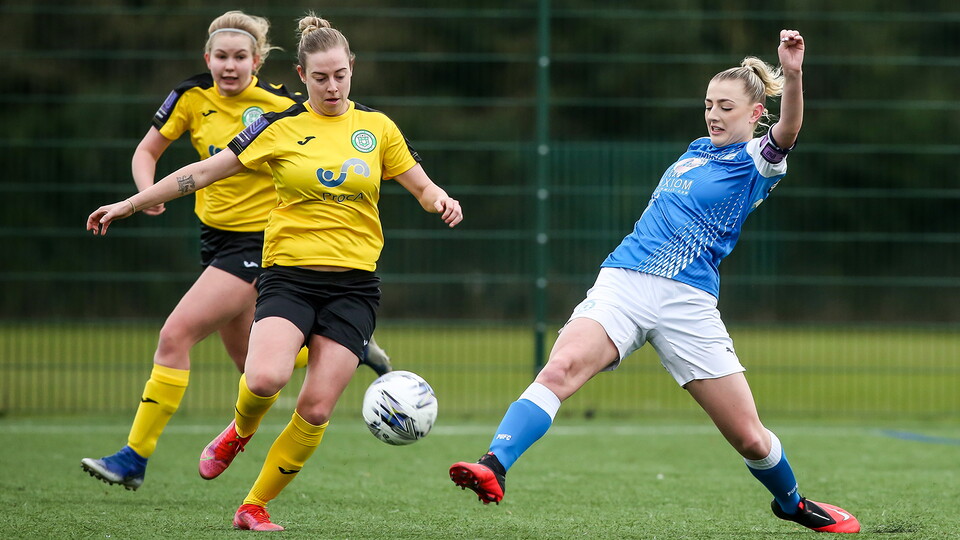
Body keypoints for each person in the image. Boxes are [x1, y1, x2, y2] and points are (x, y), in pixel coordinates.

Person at [450, 30, 860, 534]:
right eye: (708, 104)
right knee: (559, 370)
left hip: (686, 301)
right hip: (622, 282)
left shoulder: (757, 159)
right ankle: (493, 466)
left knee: (750, 438)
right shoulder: (695, 150)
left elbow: (790, 128)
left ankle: (793, 504)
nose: (713, 114)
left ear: (755, 114)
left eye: (726, 107)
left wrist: (792, 74)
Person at [87, 11, 462, 531]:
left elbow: (421, 186)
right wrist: (131, 203)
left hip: (354, 286)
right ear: (303, 77)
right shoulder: (277, 125)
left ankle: (253, 506)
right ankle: (238, 431)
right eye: (320, 77)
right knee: (264, 377)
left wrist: (441, 199)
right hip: (289, 274)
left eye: (340, 75)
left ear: (352, 67)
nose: (332, 87)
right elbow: (202, 171)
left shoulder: (377, 128)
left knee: (314, 409)